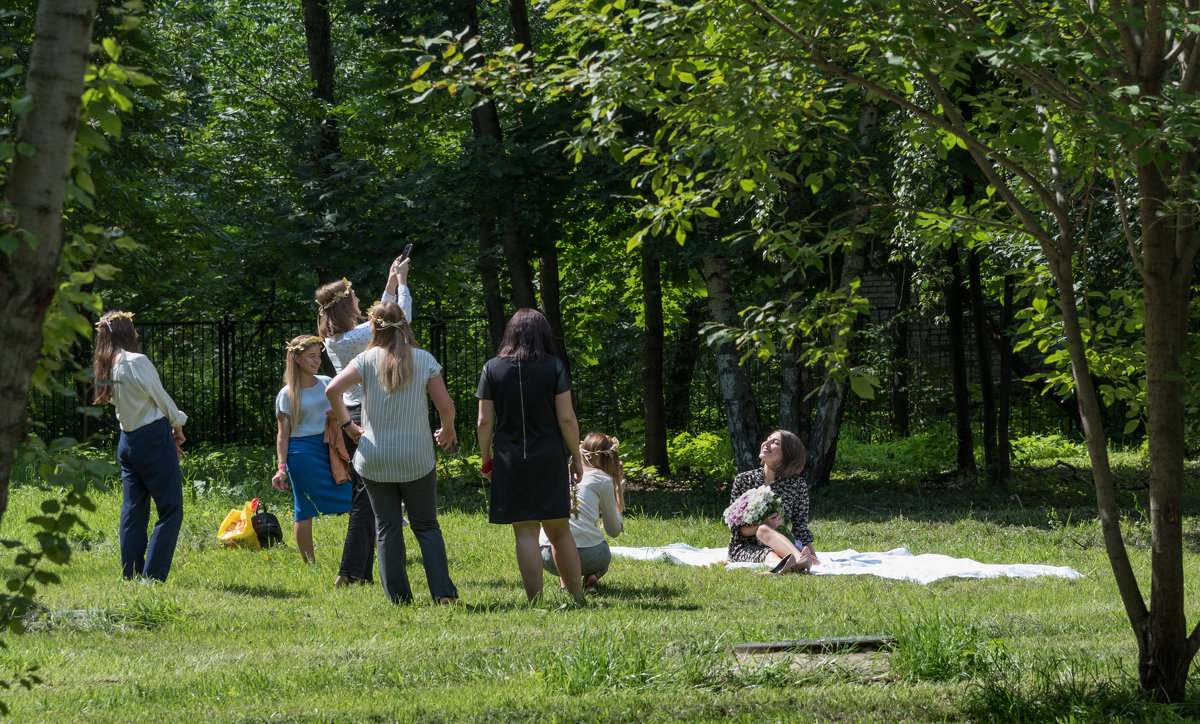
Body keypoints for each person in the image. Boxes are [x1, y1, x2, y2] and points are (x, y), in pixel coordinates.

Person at [325, 301, 459, 605]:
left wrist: (348, 426)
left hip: (374, 458)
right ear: (405, 325)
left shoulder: (365, 359)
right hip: (417, 458)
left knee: (386, 527)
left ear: (373, 327)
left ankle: (399, 599)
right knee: (427, 527)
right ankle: (444, 595)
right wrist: (448, 429)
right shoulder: (424, 359)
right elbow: (446, 407)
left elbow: (332, 390)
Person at [316, 255, 412, 586]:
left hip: (354, 414)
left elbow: (379, 320)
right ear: (345, 306)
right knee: (364, 498)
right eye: (355, 297)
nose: (360, 300)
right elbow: (396, 320)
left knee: (368, 496)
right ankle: (349, 572)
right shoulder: (353, 337)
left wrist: (389, 281)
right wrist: (402, 286)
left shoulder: (338, 338)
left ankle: (360, 572)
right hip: (362, 417)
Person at [477, 308, 584, 603]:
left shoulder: (491, 368)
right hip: (549, 457)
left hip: (510, 459)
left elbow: (484, 421)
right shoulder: (555, 367)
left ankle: (535, 601)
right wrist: (576, 456)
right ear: (543, 334)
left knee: (524, 533)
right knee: (559, 531)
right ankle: (577, 597)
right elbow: (567, 419)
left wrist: (486, 457)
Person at [92, 310, 187, 583]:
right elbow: (160, 396)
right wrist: (177, 422)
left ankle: (131, 574)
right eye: (132, 327)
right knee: (170, 508)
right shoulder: (136, 361)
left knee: (133, 510)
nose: (135, 332)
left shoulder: (106, 365)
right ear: (125, 331)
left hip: (127, 441)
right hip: (152, 438)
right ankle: (152, 577)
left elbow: (117, 402)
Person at [271, 335, 353, 562]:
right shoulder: (287, 394)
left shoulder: (328, 382)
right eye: (311, 356)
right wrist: (281, 468)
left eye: (319, 355)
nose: (317, 361)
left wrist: (339, 414)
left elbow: (345, 411)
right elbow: (283, 435)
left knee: (353, 500)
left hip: (332, 448)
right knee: (304, 509)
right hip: (302, 454)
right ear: (296, 358)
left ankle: (376, 552)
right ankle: (310, 564)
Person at [541, 431, 625, 595]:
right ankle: (592, 575)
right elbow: (613, 531)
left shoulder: (560, 472)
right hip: (589, 557)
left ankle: (565, 581)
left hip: (546, 554)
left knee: (560, 537)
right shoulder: (603, 479)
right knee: (603, 555)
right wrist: (618, 502)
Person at [727, 429, 819, 574]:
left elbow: (800, 525)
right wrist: (764, 524)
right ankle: (793, 562)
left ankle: (797, 561)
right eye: (768, 439)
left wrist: (814, 556)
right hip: (746, 546)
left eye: (775, 442)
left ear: (787, 454)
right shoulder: (743, 480)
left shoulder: (796, 484)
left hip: (782, 544)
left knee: (770, 545)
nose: (766, 443)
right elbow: (738, 530)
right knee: (764, 536)